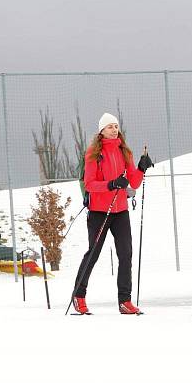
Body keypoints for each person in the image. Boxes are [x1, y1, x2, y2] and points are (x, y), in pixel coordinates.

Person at [71, 113, 151, 315]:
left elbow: (133, 183)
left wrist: (141, 168)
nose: (114, 129)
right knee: (94, 254)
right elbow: (89, 184)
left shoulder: (124, 151)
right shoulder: (93, 153)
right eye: (109, 127)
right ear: (101, 131)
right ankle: (78, 295)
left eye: (116, 126)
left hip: (120, 210)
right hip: (99, 211)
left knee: (126, 254)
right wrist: (111, 184)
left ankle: (125, 301)